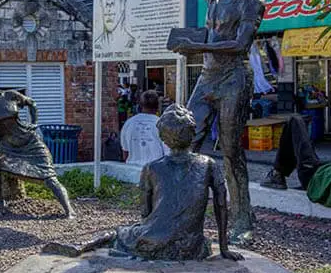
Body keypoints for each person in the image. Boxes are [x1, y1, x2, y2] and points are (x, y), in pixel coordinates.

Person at [43, 104, 242, 262]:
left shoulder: (152, 168)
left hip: (154, 240)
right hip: (192, 247)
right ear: (192, 134)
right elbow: (222, 205)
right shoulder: (208, 164)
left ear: (163, 138)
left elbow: (145, 213)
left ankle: (84, 244)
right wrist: (224, 248)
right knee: (140, 230)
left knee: (120, 232)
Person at [168, 0, 264, 242]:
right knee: (185, 139)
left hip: (233, 79)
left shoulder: (251, 1)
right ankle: (174, 212)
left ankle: (242, 220)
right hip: (208, 78)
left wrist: (196, 47)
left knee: (231, 150)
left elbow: (239, 45)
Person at [0, 66, 75, 218]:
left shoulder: (9, 95)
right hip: (6, 145)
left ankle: (69, 211)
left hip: (29, 141)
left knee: (49, 177)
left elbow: (32, 104)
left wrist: (34, 123)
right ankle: (0, 201)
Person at [261, 115, 331, 207]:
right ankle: (278, 174)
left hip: (314, 175)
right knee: (304, 144)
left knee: (295, 121)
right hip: (327, 170)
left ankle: (277, 174)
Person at [120, 90, 169, 166]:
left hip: (131, 169)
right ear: (158, 105)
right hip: (155, 171)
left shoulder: (129, 123)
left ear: (140, 105)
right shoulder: (162, 124)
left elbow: (125, 153)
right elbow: (168, 154)